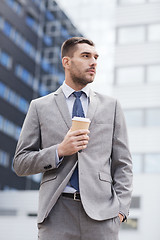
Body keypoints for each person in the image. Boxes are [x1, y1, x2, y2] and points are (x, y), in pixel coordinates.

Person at [13, 37, 133, 240]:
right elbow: (20, 163)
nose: (93, 62)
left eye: (96, 57)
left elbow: (123, 164)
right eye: (85, 56)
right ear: (66, 62)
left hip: (102, 216)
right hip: (56, 213)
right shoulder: (39, 107)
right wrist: (59, 151)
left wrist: (120, 210)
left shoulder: (111, 106)